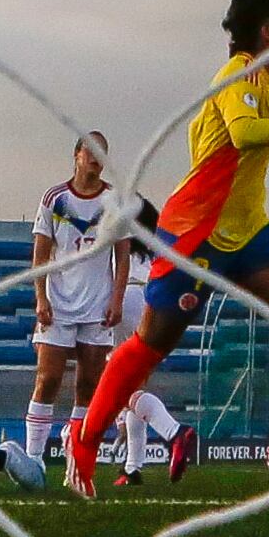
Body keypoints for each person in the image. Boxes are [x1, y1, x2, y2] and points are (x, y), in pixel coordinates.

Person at [65, 0, 269, 499]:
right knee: (150, 344)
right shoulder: (239, 75)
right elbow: (242, 134)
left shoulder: (261, 82)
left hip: (249, 230)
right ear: (267, 30)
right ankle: (86, 436)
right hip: (199, 233)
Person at [23, 134, 129, 465]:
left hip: (97, 305)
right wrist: (41, 298)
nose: (97, 159)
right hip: (59, 303)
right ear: (77, 155)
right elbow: (40, 254)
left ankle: (78, 455)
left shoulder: (114, 200)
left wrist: (117, 300)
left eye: (103, 154)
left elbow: (122, 257)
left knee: (88, 384)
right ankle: (33, 458)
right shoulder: (55, 198)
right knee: (49, 379)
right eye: (92, 152)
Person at [109, 199, 195, 488]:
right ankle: (133, 468)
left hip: (126, 299)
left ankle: (173, 432)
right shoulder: (157, 245)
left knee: (119, 386)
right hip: (155, 307)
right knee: (136, 388)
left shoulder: (117, 240)